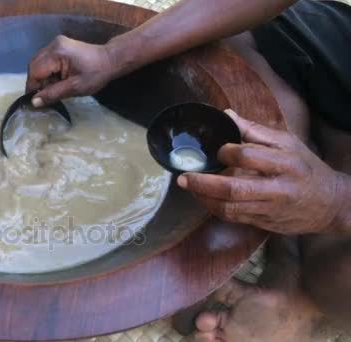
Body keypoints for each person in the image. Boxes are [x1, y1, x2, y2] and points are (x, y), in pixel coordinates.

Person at [25, 0, 351, 341]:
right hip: (337, 50)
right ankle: (292, 255)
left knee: (339, 280)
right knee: (213, 47)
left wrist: (336, 202)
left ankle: (301, 298)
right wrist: (113, 55)